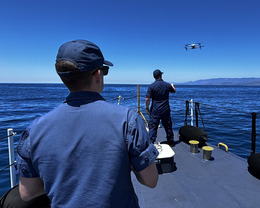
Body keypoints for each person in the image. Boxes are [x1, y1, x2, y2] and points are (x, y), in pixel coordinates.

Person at [15, 39, 159, 208]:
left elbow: (27, 193)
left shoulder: (35, 130)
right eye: (104, 70)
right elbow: (151, 180)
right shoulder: (128, 120)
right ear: (98, 74)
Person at [145, 69, 176, 146]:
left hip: (155, 109)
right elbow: (174, 91)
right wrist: (173, 86)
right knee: (168, 125)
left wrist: (147, 108)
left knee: (153, 126)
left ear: (154, 77)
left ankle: (151, 143)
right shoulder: (167, 85)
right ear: (160, 75)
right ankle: (170, 141)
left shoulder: (151, 86)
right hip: (165, 109)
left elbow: (147, 99)